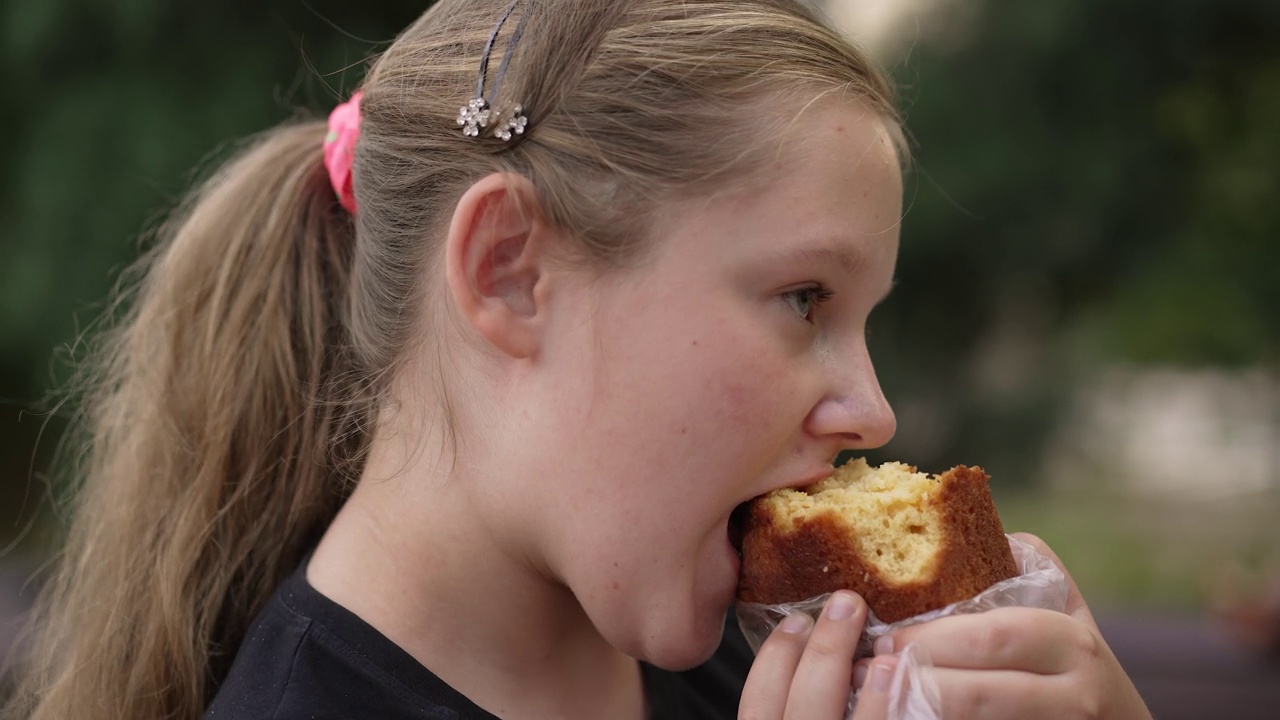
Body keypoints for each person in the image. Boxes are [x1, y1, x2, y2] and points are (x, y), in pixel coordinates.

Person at [5, 1, 1154, 718]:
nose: (872, 409)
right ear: (510, 270)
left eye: (862, 316)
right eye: (803, 299)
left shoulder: (742, 668)